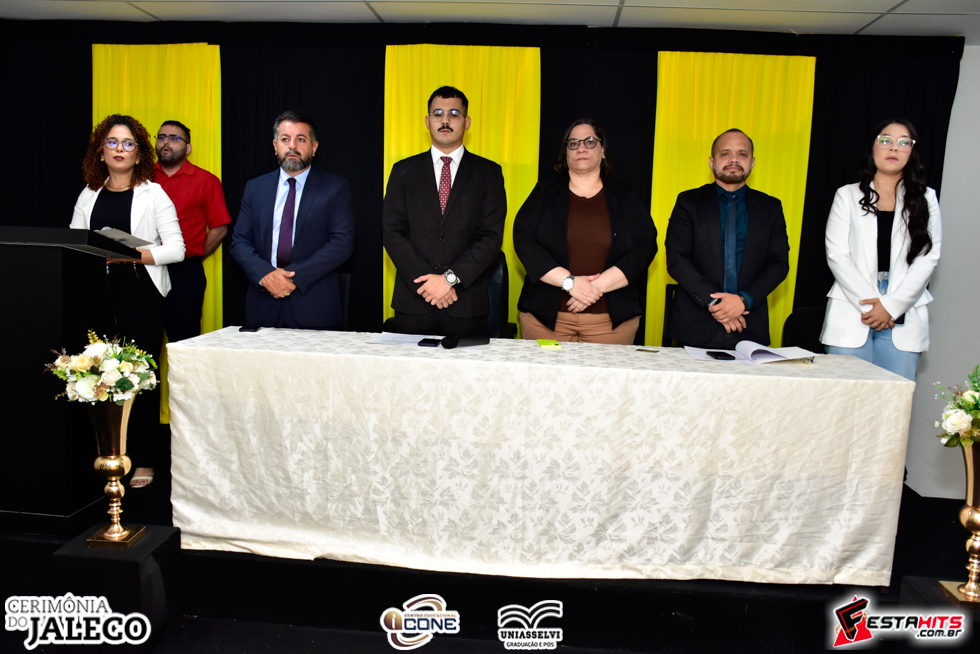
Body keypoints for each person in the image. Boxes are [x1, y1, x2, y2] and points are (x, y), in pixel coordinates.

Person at [70, 114, 185, 488]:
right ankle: (109, 452)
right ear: (100, 151)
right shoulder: (89, 194)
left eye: (128, 143)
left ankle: (145, 459)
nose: (119, 149)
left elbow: (177, 249)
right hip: (97, 296)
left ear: (139, 153)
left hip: (142, 294)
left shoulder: (154, 193)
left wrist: (132, 256)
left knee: (141, 377)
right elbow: (74, 243)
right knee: (98, 374)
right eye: (112, 142)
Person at [513, 119, 657, 344]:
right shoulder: (544, 193)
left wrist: (594, 288)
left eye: (590, 141)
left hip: (611, 324)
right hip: (545, 321)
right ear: (566, 153)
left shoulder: (626, 196)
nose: (581, 148)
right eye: (573, 143)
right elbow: (524, 240)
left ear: (602, 151)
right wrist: (570, 283)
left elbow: (646, 246)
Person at [820, 119, 941, 381]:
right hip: (852, 304)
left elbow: (928, 258)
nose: (894, 148)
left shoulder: (926, 198)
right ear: (872, 147)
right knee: (846, 399)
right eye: (886, 140)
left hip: (904, 307)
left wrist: (891, 306)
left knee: (895, 400)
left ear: (911, 152)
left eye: (903, 142)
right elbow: (836, 255)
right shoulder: (847, 195)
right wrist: (873, 305)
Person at [382, 86, 507, 337]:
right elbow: (392, 232)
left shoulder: (488, 173)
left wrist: (449, 279)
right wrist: (429, 283)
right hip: (414, 300)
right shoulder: (403, 171)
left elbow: (491, 237)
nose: (445, 120)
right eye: (438, 114)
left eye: (454, 114)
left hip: (466, 303)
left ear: (467, 122)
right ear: (427, 121)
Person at [664, 128, 789, 348]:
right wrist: (717, 304)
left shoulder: (771, 207)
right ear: (711, 162)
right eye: (725, 153)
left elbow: (779, 264)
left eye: (742, 154)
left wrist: (743, 300)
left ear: (752, 162)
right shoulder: (688, 202)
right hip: (695, 325)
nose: (734, 159)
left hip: (749, 324)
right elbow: (677, 259)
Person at [231, 110, 355, 330]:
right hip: (263, 303)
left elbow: (341, 243)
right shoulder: (255, 188)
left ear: (314, 147)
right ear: (275, 145)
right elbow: (240, 241)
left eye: (301, 139)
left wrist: (293, 278)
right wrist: (265, 275)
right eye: (285, 139)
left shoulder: (335, 188)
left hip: (314, 305)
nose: (292, 146)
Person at [154, 120, 231, 343]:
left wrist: (193, 257)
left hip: (185, 274)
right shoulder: (140, 177)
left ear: (188, 148)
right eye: (161, 137)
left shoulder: (206, 180)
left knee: (184, 341)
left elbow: (220, 228)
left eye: (174, 138)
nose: (166, 142)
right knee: (142, 341)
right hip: (145, 269)